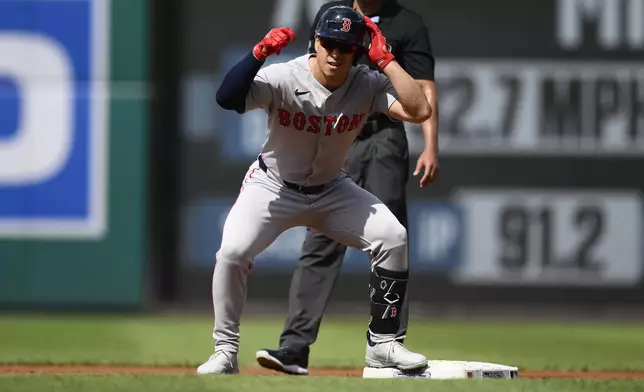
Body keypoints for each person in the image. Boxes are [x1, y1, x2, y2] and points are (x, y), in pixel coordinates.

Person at [197, 5, 433, 375]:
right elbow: (227, 98)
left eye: (345, 45)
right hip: (272, 186)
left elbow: (419, 110)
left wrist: (385, 60)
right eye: (328, 43)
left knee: (394, 236)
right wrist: (258, 54)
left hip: (331, 190)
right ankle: (225, 350)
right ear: (315, 43)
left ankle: (384, 344)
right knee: (231, 253)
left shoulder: (367, 83)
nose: (335, 53)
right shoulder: (284, 76)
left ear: (358, 51)